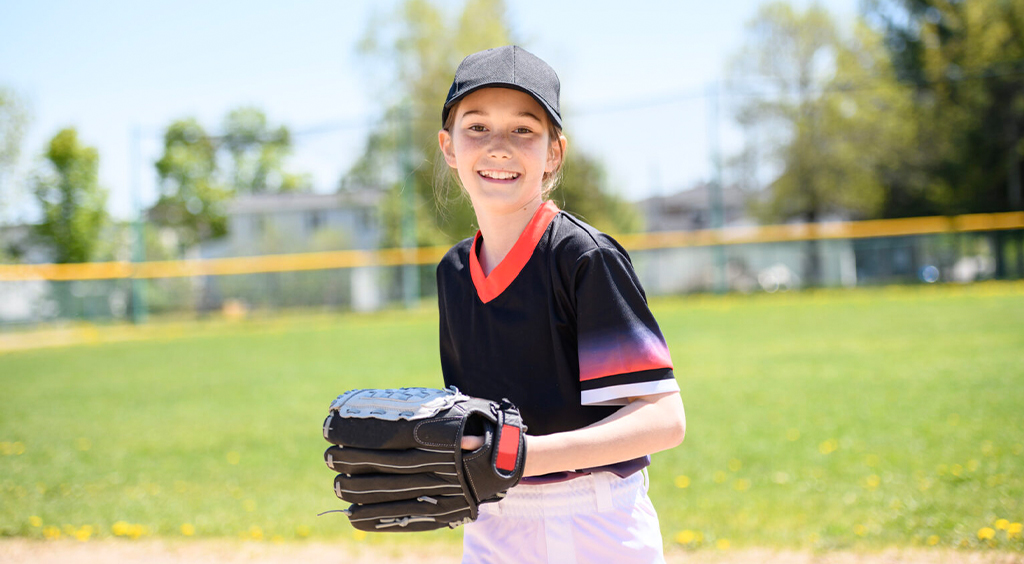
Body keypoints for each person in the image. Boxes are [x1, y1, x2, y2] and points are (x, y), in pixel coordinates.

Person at [435, 45, 687, 564]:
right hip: (494, 519)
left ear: (554, 152)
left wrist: (522, 455)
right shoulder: (454, 272)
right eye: (476, 127)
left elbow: (663, 419)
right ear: (448, 147)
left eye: (524, 130)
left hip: (593, 520)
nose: (499, 146)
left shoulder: (583, 257)